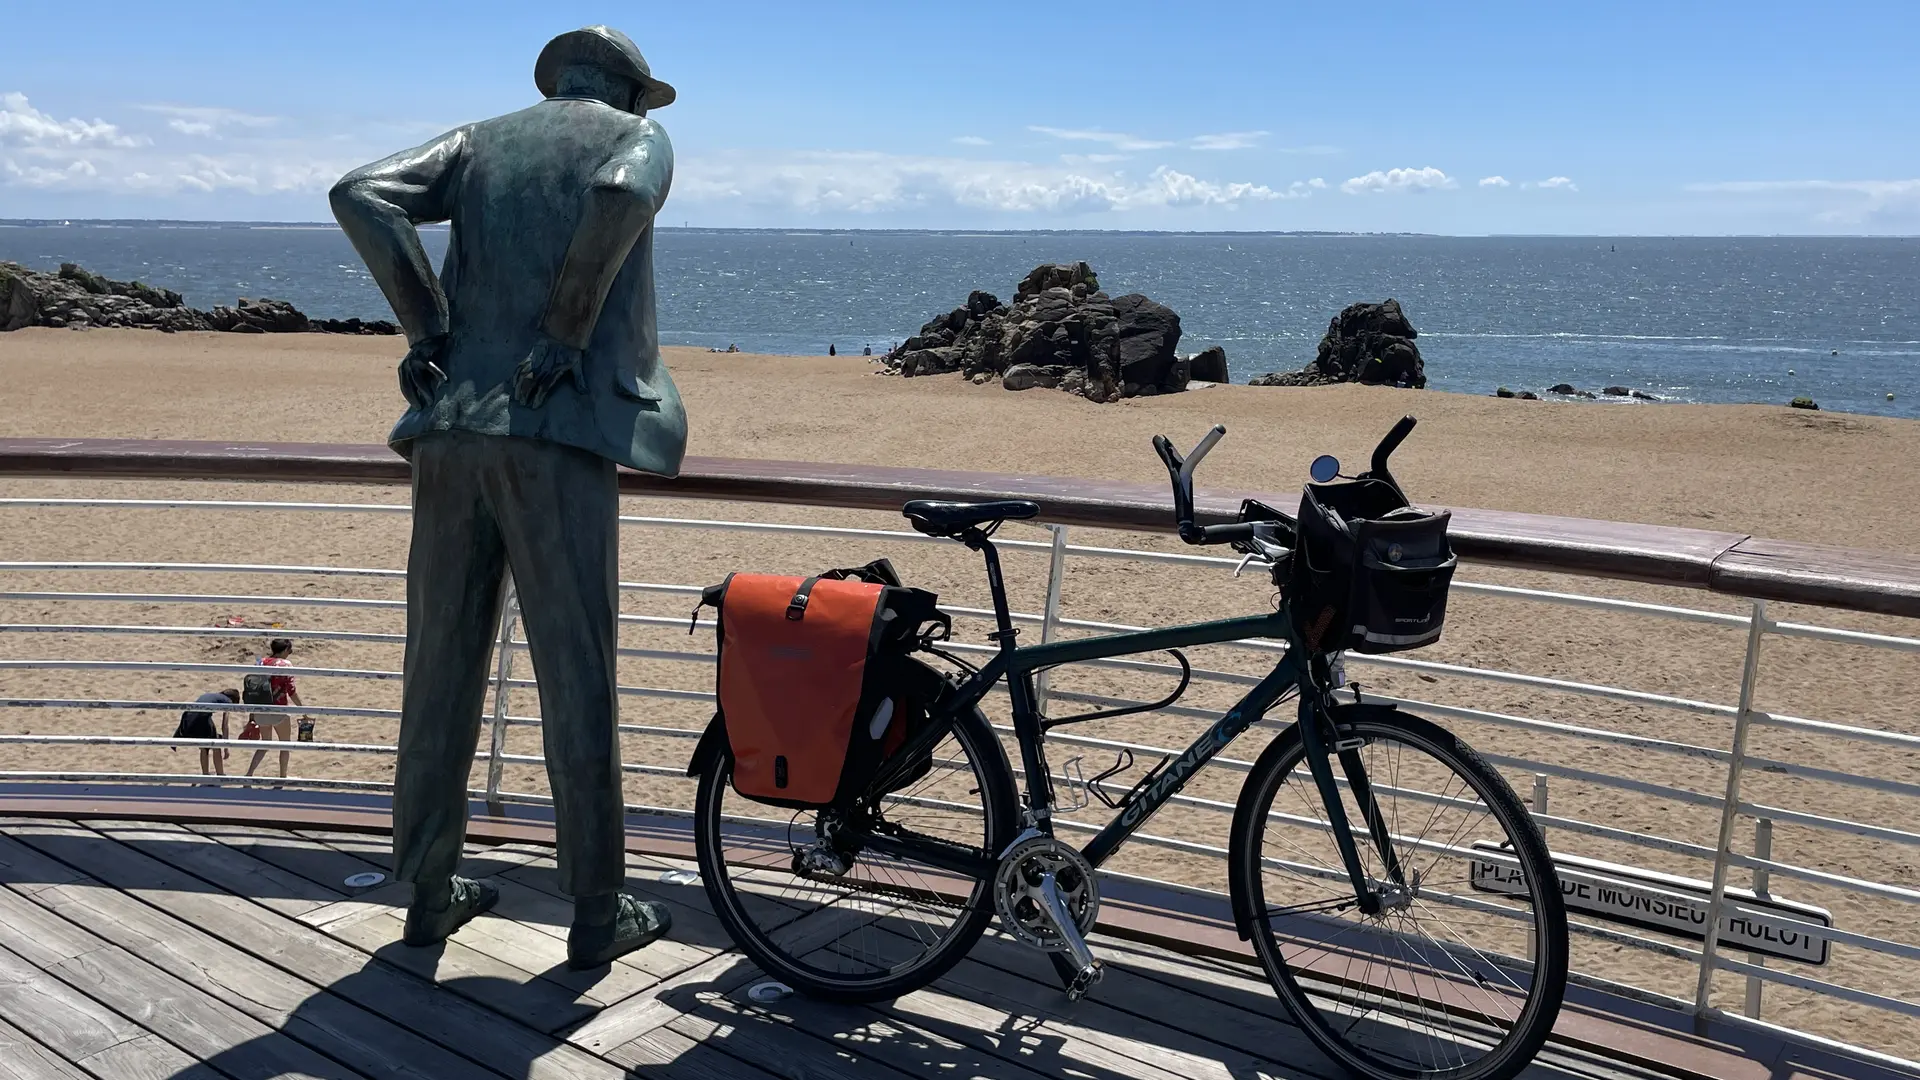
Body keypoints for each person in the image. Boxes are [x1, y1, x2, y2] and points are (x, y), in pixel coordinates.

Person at [332, 24, 679, 968]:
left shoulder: (479, 141)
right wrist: (565, 333)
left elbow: (361, 193)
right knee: (576, 670)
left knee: (438, 662)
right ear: (624, 88)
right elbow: (622, 196)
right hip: (555, 432)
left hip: (448, 425)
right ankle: (597, 907)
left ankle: (429, 889)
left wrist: (427, 328)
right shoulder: (633, 135)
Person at [245, 638, 302, 779]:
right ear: (285, 650)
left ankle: (249, 774)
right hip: (278, 709)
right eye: (289, 650)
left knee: (265, 744)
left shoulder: (260, 662)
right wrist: (303, 710)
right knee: (285, 745)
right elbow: (291, 691)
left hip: (261, 709)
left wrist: (252, 714)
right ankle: (282, 777)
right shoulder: (285, 664)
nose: (289, 653)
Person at [174, 688, 239, 776]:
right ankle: (220, 774)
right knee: (217, 745)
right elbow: (225, 726)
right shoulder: (228, 702)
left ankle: (205, 774)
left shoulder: (211, 695)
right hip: (201, 718)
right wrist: (226, 748)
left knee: (204, 747)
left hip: (188, 718)